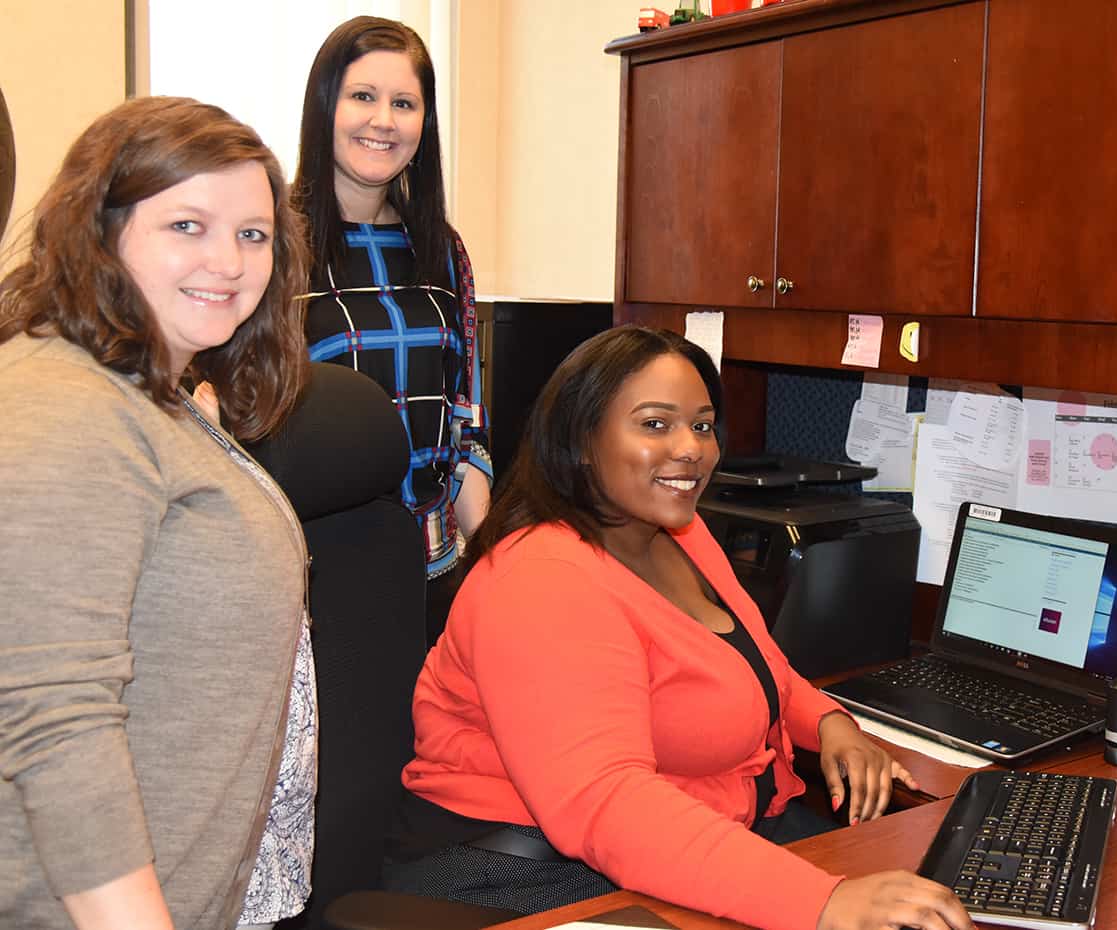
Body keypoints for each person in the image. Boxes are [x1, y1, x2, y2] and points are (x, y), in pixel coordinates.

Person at [387, 327, 973, 930]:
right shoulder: (541, 579)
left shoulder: (678, 535)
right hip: (526, 876)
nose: (692, 449)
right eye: (655, 424)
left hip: (676, 839)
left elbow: (763, 667)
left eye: (702, 425)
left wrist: (830, 725)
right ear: (581, 439)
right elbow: (608, 804)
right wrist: (821, 903)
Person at [0, 97, 315, 930]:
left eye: (253, 234)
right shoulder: (66, 404)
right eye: (187, 225)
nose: (229, 260)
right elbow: (51, 718)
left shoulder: (142, 400)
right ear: (100, 233)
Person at [293, 15, 491, 643]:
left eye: (403, 103)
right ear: (325, 106)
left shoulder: (440, 248)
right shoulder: (272, 243)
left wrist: (487, 568)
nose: (383, 120)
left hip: (431, 569)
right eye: (362, 97)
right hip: (313, 575)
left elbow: (466, 419)